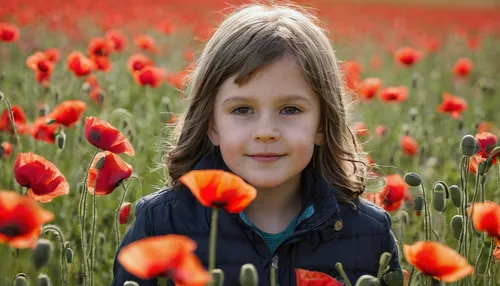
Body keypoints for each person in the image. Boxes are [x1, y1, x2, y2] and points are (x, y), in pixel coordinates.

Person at [112, 3, 402, 286]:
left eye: (290, 109)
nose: (266, 132)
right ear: (212, 125)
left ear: (323, 125)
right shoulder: (162, 223)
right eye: (242, 110)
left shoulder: (368, 233)